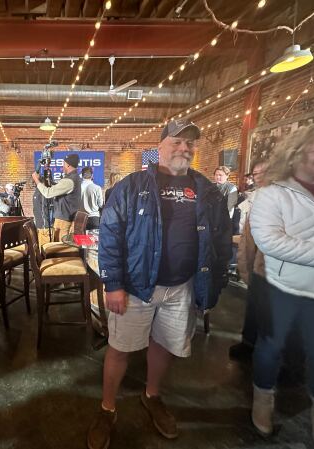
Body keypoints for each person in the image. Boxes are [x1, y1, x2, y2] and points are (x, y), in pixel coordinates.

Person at [88, 119, 232, 449]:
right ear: (161, 145)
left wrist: (215, 282)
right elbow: (109, 236)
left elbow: (221, 239)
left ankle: (152, 395)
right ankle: (107, 407)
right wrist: (113, 283)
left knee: (165, 344)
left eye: (190, 144)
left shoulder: (207, 190)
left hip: (183, 285)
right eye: (177, 142)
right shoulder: (132, 185)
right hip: (137, 285)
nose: (184, 148)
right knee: (120, 348)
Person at [249, 124, 314, 449]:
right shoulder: (272, 194)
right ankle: (262, 403)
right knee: (270, 348)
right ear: (297, 155)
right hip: (283, 288)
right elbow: (270, 241)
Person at [228, 158, 269, 361]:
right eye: (256, 172)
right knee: (253, 306)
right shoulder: (254, 197)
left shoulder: (281, 196)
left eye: (264, 171)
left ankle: (265, 350)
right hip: (255, 261)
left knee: (269, 311)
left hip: (273, 265)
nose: (259, 176)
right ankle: (248, 343)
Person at [31, 153, 82, 238]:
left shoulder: (69, 181)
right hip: (66, 218)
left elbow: (48, 193)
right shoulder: (74, 178)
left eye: (63, 164)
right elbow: (57, 187)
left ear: (68, 165)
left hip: (63, 221)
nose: (62, 166)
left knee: (60, 248)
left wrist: (36, 180)